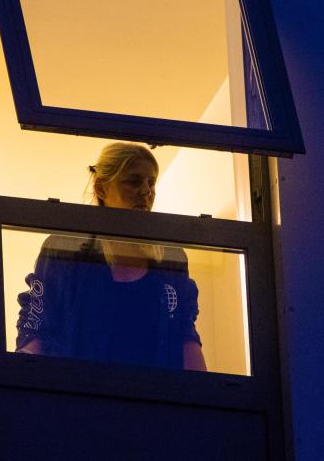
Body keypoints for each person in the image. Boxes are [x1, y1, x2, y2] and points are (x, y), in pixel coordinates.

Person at [16, 142, 207, 371]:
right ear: (102, 189)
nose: (146, 191)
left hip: (152, 396)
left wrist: (206, 394)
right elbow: (38, 322)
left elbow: (184, 333)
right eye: (134, 181)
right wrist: (22, 377)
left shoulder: (169, 260)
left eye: (151, 182)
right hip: (81, 393)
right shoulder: (65, 250)